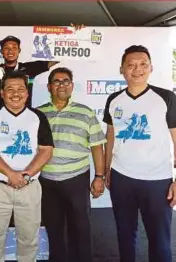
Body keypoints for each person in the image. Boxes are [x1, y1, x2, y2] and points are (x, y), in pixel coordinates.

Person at [104, 45, 176, 262]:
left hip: (158, 180)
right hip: (121, 178)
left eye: (143, 64)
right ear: (122, 69)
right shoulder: (114, 99)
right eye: (131, 65)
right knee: (125, 236)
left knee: (160, 241)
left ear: (151, 67)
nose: (137, 69)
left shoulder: (166, 98)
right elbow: (111, 137)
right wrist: (107, 171)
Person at [0, 70, 54, 261]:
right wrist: (11, 174)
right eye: (10, 89)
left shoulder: (37, 117)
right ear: (2, 93)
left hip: (29, 186)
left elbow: (46, 150)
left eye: (20, 89)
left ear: (27, 93)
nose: (15, 93)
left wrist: (26, 175)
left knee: (29, 237)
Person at [37, 67, 106, 262]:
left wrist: (99, 177)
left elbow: (96, 146)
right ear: (50, 87)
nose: (61, 85)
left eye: (66, 81)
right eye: (57, 81)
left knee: (81, 227)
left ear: (72, 86)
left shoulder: (86, 113)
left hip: (76, 178)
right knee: (53, 227)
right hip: (47, 180)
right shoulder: (39, 113)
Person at [0, 24, 85, 109]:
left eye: (14, 47)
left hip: (25, 116)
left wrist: (75, 36)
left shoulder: (29, 68)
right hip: (1, 117)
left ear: (19, 51)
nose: (10, 51)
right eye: (6, 48)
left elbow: (56, 57)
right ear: (2, 51)